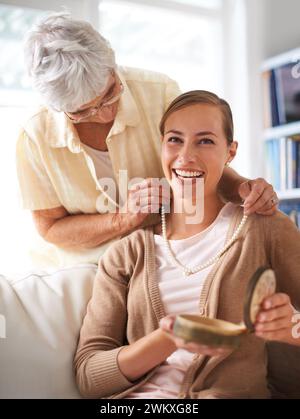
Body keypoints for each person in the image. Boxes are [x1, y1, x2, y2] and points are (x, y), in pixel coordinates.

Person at [74, 90, 300, 399]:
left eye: (205, 141)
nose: (186, 156)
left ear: (230, 152)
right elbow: (89, 376)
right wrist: (169, 338)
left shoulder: (263, 228)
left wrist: (292, 331)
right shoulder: (126, 254)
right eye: (175, 140)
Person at [16, 13, 278, 269]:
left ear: (113, 65)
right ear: (59, 108)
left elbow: (196, 165)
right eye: (83, 111)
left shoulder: (159, 92)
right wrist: (122, 220)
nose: (106, 113)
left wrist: (244, 189)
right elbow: (50, 227)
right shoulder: (35, 137)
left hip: (162, 253)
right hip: (81, 268)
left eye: (110, 92)